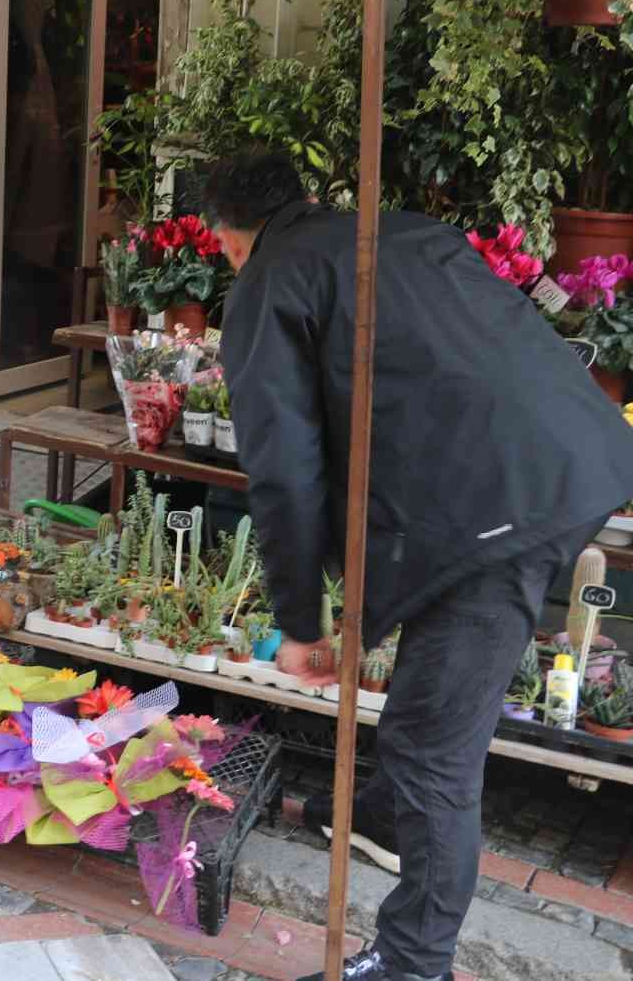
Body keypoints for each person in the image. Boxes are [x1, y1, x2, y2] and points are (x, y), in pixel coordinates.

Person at [204, 151, 633, 981]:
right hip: (570, 464)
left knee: (433, 745)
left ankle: (413, 963)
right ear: (306, 199)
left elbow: (283, 471)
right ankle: (380, 817)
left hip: (494, 512)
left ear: (227, 238)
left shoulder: (268, 283)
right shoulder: (399, 232)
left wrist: (300, 623)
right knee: (435, 679)